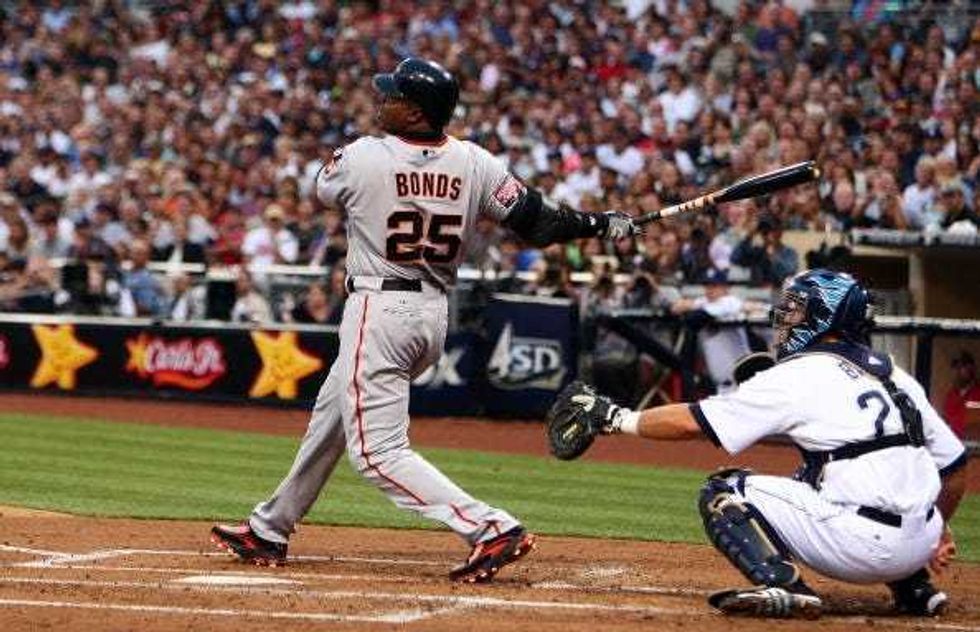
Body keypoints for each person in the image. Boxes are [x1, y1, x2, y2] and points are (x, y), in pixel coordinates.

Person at [210, 58, 637, 583]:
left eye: (392, 97)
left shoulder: (364, 155)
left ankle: (490, 528)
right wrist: (597, 223)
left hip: (379, 309)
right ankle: (270, 527)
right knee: (333, 415)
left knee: (377, 453)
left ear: (415, 113)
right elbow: (540, 222)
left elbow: (324, 189)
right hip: (432, 313)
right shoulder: (474, 161)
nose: (380, 101)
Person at [547, 269, 967, 619]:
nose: (784, 317)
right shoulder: (896, 375)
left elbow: (696, 421)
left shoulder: (803, 373)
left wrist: (615, 417)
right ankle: (915, 591)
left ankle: (785, 585)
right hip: (921, 543)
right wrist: (934, 532)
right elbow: (955, 472)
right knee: (818, 472)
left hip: (861, 547)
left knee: (723, 490)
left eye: (797, 309)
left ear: (826, 318)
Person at [943, 351, 979, 439]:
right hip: (954, 445)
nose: (958, 371)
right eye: (955, 367)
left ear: (971, 368)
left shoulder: (977, 393)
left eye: (962, 367)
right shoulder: (951, 395)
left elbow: (973, 426)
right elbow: (946, 420)